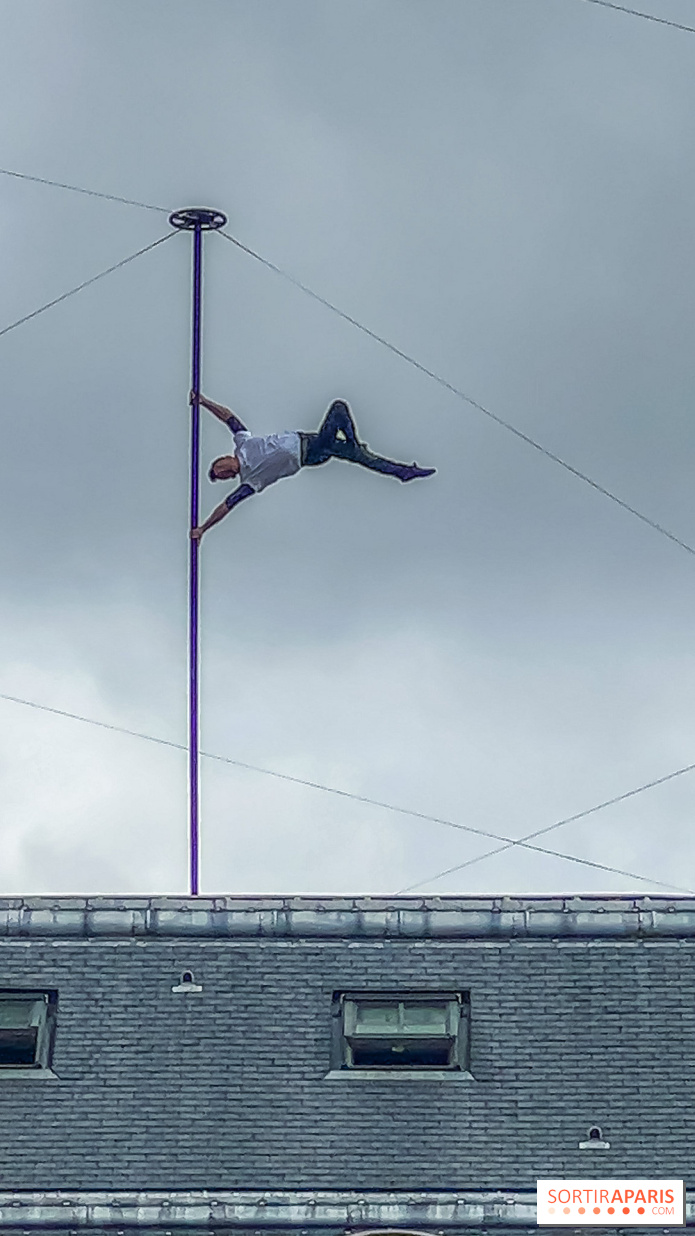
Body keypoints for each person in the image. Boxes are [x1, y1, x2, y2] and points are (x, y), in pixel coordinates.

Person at [189, 391, 436, 541]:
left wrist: (202, 401)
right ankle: (359, 447)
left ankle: (401, 471)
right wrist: (203, 529)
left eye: (219, 467)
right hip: (311, 453)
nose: (222, 472)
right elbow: (227, 506)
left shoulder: (243, 443)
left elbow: (228, 417)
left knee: (354, 446)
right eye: (221, 476)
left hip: (306, 438)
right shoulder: (251, 480)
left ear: (224, 458)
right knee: (339, 410)